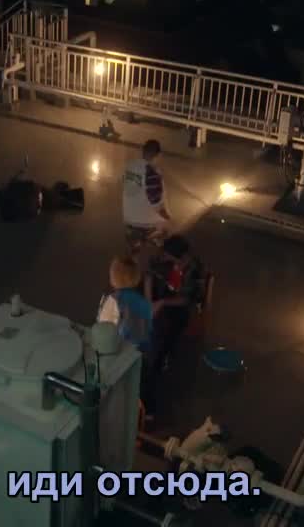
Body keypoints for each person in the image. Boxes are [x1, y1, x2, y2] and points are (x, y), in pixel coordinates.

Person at [97, 256, 158, 416]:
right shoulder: (142, 302)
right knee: (143, 386)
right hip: (145, 353)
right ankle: (146, 415)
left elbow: (103, 331)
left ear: (114, 277)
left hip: (123, 355)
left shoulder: (113, 300)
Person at [148, 235, 207, 371]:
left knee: (173, 324)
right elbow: (150, 272)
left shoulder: (194, 270)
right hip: (170, 293)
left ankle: (162, 358)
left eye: (168, 256)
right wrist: (149, 300)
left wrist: (162, 302)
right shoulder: (167, 259)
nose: (164, 257)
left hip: (184, 304)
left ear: (182, 258)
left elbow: (186, 300)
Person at [122, 139, 171, 254]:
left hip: (128, 219)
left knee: (134, 252)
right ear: (158, 155)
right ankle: (153, 241)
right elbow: (157, 205)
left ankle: (135, 249)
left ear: (143, 151)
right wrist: (168, 219)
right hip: (145, 223)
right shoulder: (152, 173)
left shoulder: (130, 166)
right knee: (166, 230)